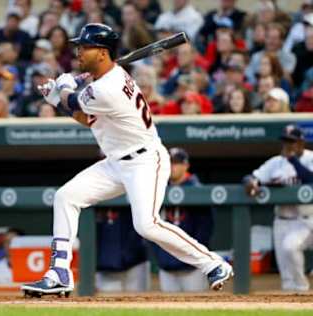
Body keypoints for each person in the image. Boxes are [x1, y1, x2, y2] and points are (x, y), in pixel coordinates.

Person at [21, 23, 233, 296]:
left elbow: (74, 101)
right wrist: (58, 98)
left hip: (146, 161)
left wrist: (62, 89)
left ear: (102, 53)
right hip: (115, 163)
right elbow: (87, 118)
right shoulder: (102, 82)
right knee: (66, 196)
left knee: (146, 224)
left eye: (85, 47)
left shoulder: (109, 86)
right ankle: (59, 271)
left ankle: (214, 263)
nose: (78, 52)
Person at [244, 125, 313, 291]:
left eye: (292, 142)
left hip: (306, 219)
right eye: (285, 142)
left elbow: (310, 179)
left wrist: (293, 160)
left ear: (301, 142)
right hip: (281, 220)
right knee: (286, 276)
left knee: (290, 246)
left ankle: (303, 288)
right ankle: (292, 303)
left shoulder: (310, 158)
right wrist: (250, 182)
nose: (288, 146)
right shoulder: (276, 162)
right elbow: (252, 176)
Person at [151, 148, 213, 292]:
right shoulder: (157, 188)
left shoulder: (198, 190)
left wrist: (195, 256)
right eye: (169, 162)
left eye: (176, 163)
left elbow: (205, 229)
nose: (172, 166)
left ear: (186, 165)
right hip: (166, 266)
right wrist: (161, 256)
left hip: (193, 268)